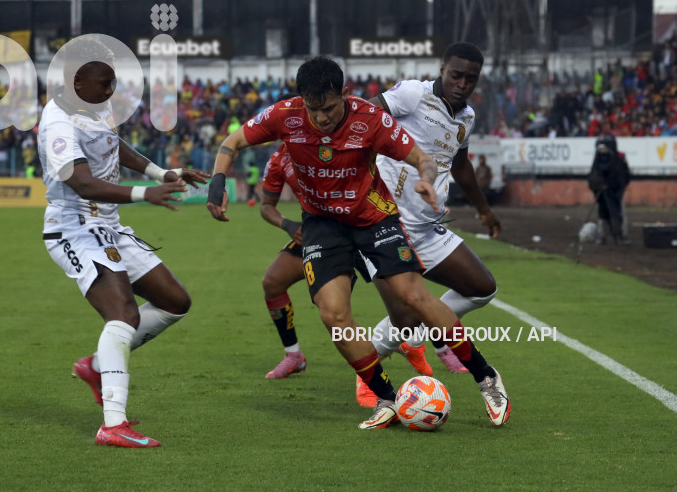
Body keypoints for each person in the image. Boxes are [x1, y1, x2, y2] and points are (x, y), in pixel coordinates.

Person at [207, 55, 510, 429]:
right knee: (333, 314)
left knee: (413, 298)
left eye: (330, 108)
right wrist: (217, 181)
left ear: (345, 94)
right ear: (302, 100)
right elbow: (231, 142)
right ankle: (385, 398)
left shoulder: (371, 118)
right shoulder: (285, 114)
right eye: (313, 109)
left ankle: (486, 378)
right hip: (321, 223)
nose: (321, 118)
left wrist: (426, 178)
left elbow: (422, 158)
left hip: (373, 217)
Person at [37, 36, 209, 448]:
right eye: (104, 83)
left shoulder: (93, 104)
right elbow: (79, 182)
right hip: (74, 228)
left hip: (108, 225)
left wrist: (159, 173)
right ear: (76, 80)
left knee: (174, 302)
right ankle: (113, 424)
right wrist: (143, 195)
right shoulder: (58, 121)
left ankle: (98, 366)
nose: (111, 91)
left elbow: (113, 145)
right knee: (123, 314)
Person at [356, 42, 504, 407]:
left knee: (482, 288)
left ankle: (421, 327)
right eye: (456, 74)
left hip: (425, 227)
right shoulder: (412, 94)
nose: (462, 83)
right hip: (382, 224)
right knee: (406, 321)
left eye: (471, 78)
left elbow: (461, 165)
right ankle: (367, 373)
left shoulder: (466, 118)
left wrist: (484, 210)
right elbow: (364, 119)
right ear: (442, 69)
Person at [258, 142, 432, 379]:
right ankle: (293, 356)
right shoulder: (278, 160)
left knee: (405, 308)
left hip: (363, 229)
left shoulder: (332, 141)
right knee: (273, 282)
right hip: (321, 235)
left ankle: (419, 343)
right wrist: (287, 225)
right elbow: (266, 206)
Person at [588, 133, 630, 244]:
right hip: (605, 190)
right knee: (604, 212)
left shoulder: (619, 158)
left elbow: (623, 175)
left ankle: (619, 235)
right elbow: (594, 175)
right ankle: (605, 236)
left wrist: (618, 187)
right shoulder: (600, 159)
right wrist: (599, 185)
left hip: (616, 190)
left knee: (617, 212)